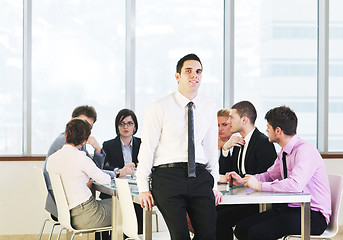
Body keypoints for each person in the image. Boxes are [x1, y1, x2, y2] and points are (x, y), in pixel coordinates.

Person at [136, 53, 223, 240]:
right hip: (168, 177)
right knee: (180, 236)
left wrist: (214, 184)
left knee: (208, 234)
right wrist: (143, 186)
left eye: (198, 71)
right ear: (178, 76)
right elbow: (147, 147)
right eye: (188, 71)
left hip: (200, 176)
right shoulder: (159, 106)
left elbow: (210, 149)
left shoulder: (209, 106)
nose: (194, 75)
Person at [228, 106, 331, 240]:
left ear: (278, 131)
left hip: (312, 215)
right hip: (290, 209)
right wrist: (245, 180)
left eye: (268, 127)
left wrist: (260, 186)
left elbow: (295, 185)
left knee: (257, 233)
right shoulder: (284, 152)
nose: (266, 130)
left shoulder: (305, 150)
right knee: (242, 229)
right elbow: (269, 175)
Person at [216, 101, 277, 240]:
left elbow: (266, 177)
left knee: (218, 217)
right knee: (209, 211)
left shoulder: (262, 142)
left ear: (244, 120)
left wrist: (242, 181)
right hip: (242, 198)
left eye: (232, 117)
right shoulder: (238, 141)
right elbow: (227, 173)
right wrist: (225, 149)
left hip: (257, 203)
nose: (229, 121)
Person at [47, 119, 112, 229]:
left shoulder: (52, 159)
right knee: (123, 207)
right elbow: (106, 180)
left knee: (111, 204)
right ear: (85, 140)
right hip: (87, 214)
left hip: (67, 215)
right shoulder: (81, 158)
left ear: (66, 134)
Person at [101, 108, 143, 235]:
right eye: (122, 123)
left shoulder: (142, 143)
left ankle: (136, 236)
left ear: (134, 126)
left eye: (129, 123)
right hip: (115, 191)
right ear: (117, 126)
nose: (126, 126)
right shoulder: (108, 145)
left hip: (135, 189)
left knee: (139, 207)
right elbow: (103, 168)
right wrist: (119, 171)